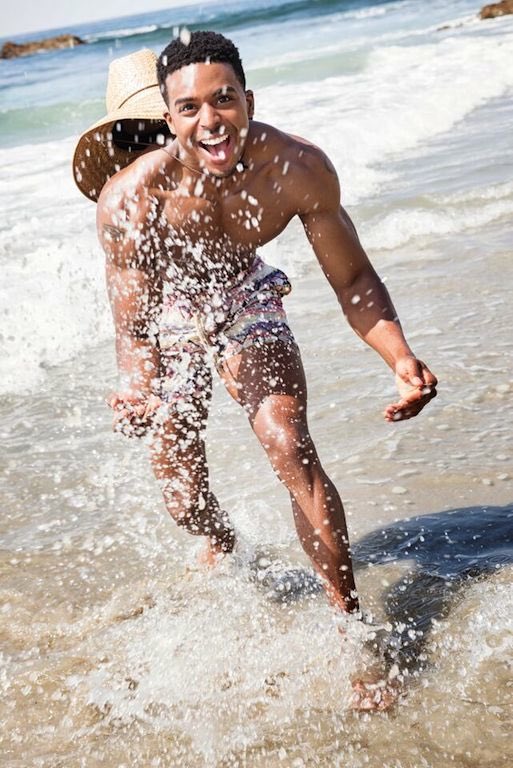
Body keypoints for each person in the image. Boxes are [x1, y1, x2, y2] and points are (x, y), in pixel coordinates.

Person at [73, 34, 437, 709]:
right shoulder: (129, 202)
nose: (211, 121)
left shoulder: (294, 169)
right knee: (184, 499)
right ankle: (222, 545)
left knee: (287, 440)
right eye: (188, 109)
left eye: (224, 100)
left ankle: (348, 630)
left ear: (248, 100)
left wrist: (399, 357)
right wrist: (137, 387)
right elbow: (134, 328)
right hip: (167, 314)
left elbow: (353, 280)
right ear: (167, 120)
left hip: (244, 293)